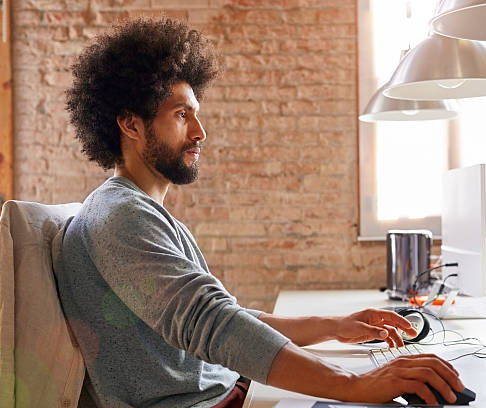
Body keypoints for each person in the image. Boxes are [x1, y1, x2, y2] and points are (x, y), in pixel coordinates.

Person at [56, 18, 464, 408]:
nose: (200, 131)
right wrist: (354, 384)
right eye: (182, 115)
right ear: (130, 125)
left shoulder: (137, 211)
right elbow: (212, 324)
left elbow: (228, 319)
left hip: (231, 391)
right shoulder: (120, 216)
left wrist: (335, 327)